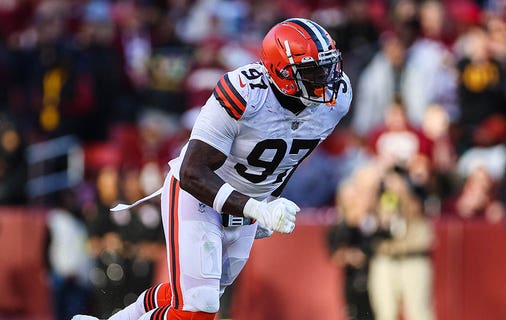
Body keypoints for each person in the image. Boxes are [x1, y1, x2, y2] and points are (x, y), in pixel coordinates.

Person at [73, 17, 351, 320]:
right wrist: (256, 208)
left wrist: (266, 201)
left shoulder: (337, 100)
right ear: (282, 73)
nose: (327, 79)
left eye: (328, 67)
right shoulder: (245, 95)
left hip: (246, 205)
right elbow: (193, 170)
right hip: (199, 194)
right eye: (313, 72)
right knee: (198, 307)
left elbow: (286, 158)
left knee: (192, 292)